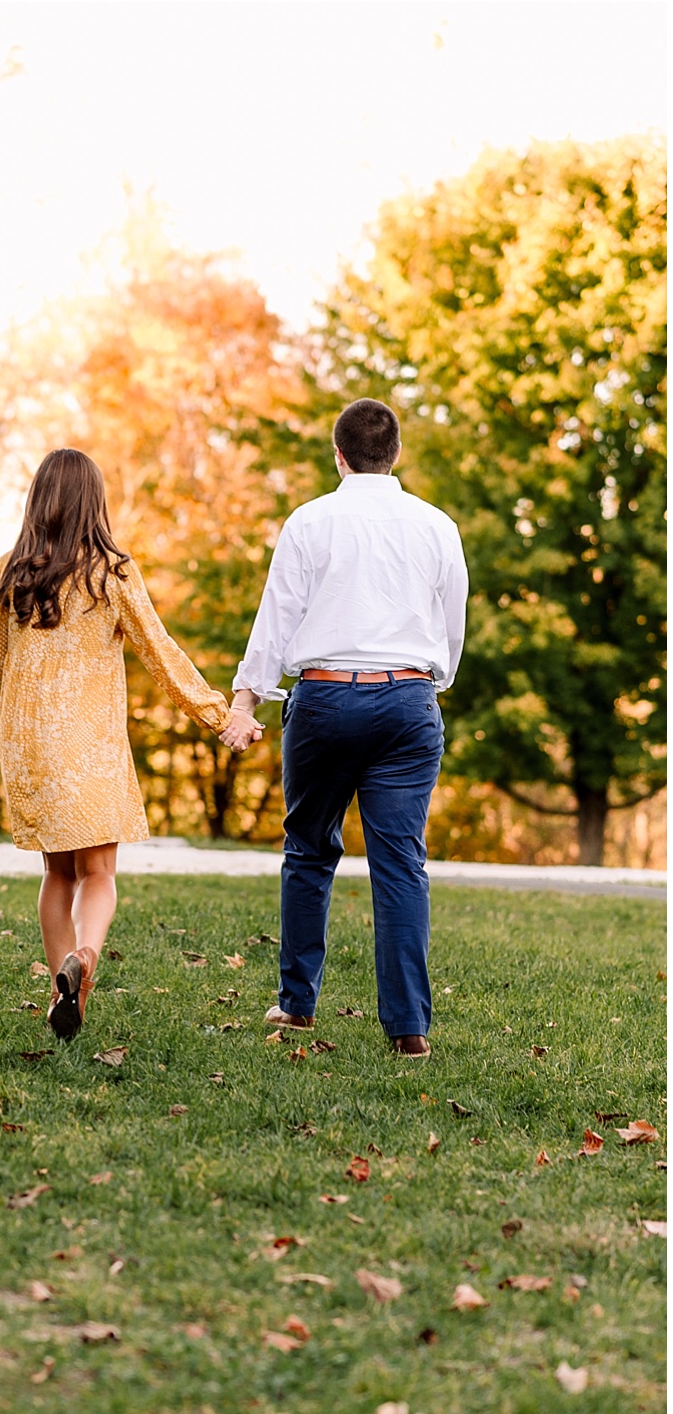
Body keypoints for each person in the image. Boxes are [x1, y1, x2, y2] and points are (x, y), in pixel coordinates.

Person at [0, 447, 260, 1039]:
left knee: (57, 874)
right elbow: (161, 654)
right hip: (88, 741)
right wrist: (217, 714)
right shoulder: (111, 570)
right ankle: (87, 960)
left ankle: (62, 992)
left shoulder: (9, 570)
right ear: (93, 504)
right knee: (99, 872)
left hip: (28, 737)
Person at [226, 397, 467, 1059]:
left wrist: (246, 701)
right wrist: (421, 687)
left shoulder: (309, 522)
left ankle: (297, 1005)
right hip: (409, 701)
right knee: (400, 865)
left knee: (308, 849)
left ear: (338, 454)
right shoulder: (437, 526)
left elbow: (275, 620)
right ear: (395, 457)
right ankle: (409, 1029)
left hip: (326, 701)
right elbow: (451, 631)